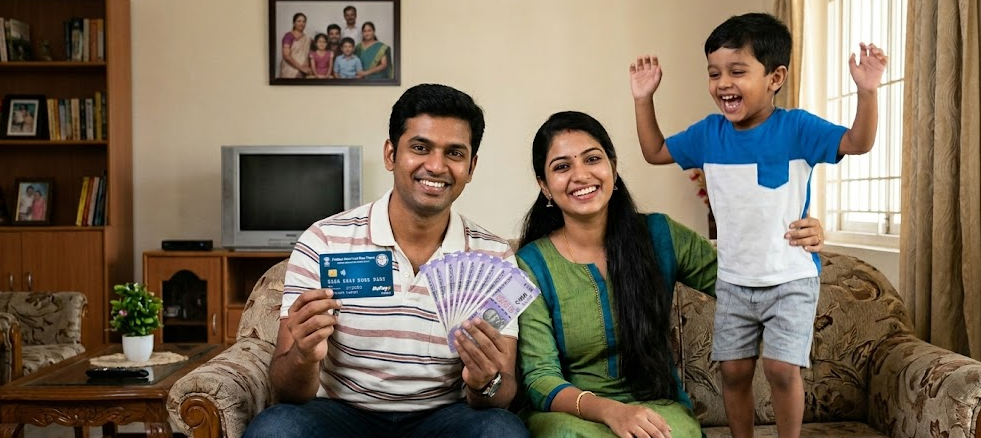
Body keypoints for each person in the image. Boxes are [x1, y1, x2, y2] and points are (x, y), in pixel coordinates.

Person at [629, 13, 886, 438]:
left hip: (790, 277)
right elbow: (654, 150)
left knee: (782, 369)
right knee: (732, 370)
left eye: (737, 71)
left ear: (775, 77)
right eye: (714, 73)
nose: (723, 83)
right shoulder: (709, 134)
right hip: (734, 281)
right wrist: (643, 99)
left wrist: (867, 92)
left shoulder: (797, 128)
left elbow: (857, 142)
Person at [242, 84, 528, 438]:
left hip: (445, 418)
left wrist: (486, 381)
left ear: (471, 167)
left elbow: (502, 395)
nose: (436, 166)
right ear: (391, 154)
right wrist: (302, 355)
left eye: (454, 153)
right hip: (340, 414)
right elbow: (287, 392)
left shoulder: (494, 256)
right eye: (420, 148)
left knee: (503, 431)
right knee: (276, 429)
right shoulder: (324, 241)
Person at [516, 111, 826, 438]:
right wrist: (612, 411)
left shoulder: (660, 236)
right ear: (545, 187)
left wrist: (798, 240)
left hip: (654, 406)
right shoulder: (531, 265)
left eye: (592, 159)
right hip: (572, 414)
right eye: (562, 166)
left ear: (613, 167)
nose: (580, 174)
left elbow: (744, 282)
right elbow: (540, 378)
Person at [279, 12, 313, 78]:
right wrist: (301, 68)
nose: (301, 23)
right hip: (289, 71)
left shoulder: (307, 38)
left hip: (303, 72)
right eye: (299, 21)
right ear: (294, 23)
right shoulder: (288, 36)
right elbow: (286, 56)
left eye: (304, 21)